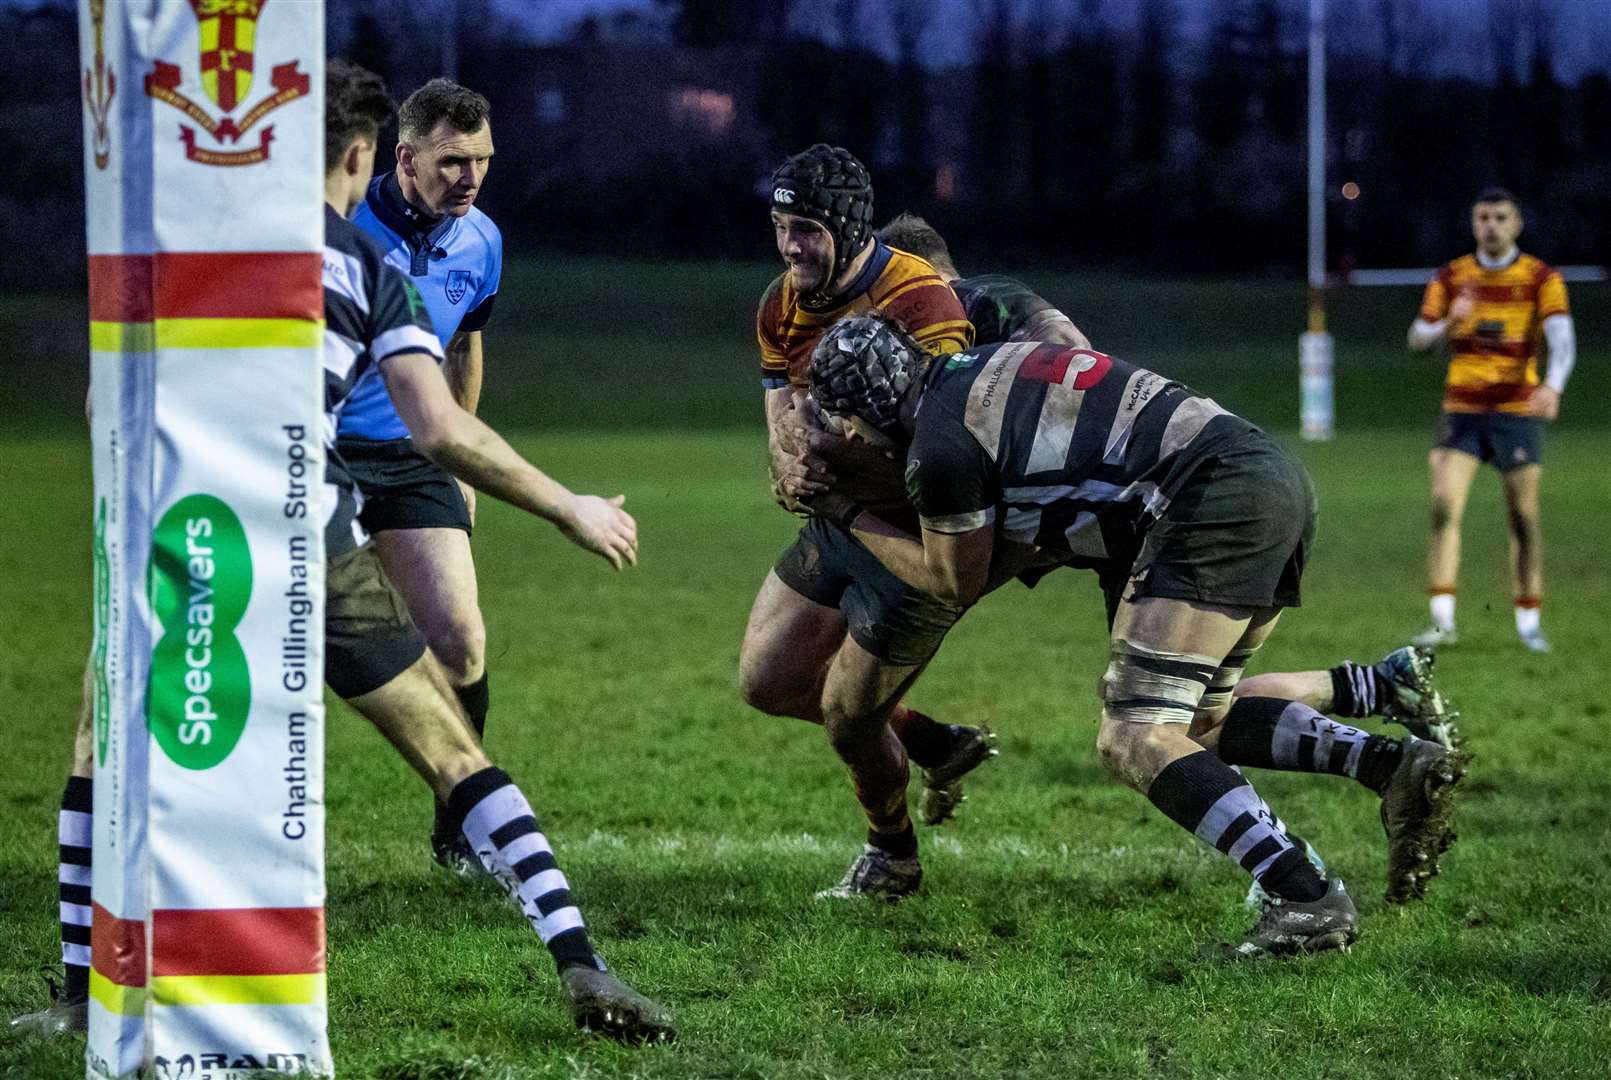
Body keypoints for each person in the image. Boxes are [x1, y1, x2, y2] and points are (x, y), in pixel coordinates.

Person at [10, 61, 671, 1044]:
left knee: (97, 750)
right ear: (364, 156)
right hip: (310, 536)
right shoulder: (365, 268)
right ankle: (582, 968)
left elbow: (108, 396)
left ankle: (78, 1002)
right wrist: (566, 506)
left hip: (185, 542)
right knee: (450, 750)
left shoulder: (188, 246)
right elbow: (440, 425)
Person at [802, 313, 1469, 953]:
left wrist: (845, 508)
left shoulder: (938, 445)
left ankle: (1304, 896)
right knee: (1199, 725)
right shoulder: (984, 363)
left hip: (1209, 498)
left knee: (1133, 737)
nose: (850, 439)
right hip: (1266, 472)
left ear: (866, 413)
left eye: (847, 425)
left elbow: (952, 580)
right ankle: (1386, 763)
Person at [874, 212, 1461, 749]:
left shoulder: (983, 302)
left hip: (1140, 499)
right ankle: (1376, 688)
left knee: (1157, 717)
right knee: (1186, 711)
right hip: (1122, 499)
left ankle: (1343, 787)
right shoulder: (952, 331)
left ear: (913, 275)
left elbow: (1073, 360)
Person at [740, 144, 996, 901]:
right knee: (765, 682)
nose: (791, 246)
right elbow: (779, 413)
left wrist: (844, 471)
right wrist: (786, 461)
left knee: (848, 718)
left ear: (850, 229)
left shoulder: (920, 303)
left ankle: (892, 861)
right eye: (781, 225)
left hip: (913, 539)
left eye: (808, 229)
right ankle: (930, 741)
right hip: (837, 523)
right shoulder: (779, 301)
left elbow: (948, 445)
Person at [338, 78, 505, 872]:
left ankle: (458, 826)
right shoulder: (340, 228)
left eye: (481, 160)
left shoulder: (482, 240)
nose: (468, 178)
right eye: (451, 162)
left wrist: (461, 453)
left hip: (413, 456)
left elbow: (466, 343)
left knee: (462, 643)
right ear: (404, 158)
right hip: (322, 454)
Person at [1408, 187, 1575, 653]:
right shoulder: (1453, 276)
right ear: (1473, 223)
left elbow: (1562, 339)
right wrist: (1447, 325)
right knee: (1444, 507)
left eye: (1501, 217)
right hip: (1461, 410)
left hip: (1516, 411)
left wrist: (1553, 386)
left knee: (1523, 517)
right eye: (1483, 217)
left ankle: (1528, 622)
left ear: (1517, 224)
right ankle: (1441, 623)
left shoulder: (1541, 277)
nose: (1492, 226)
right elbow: (1417, 339)